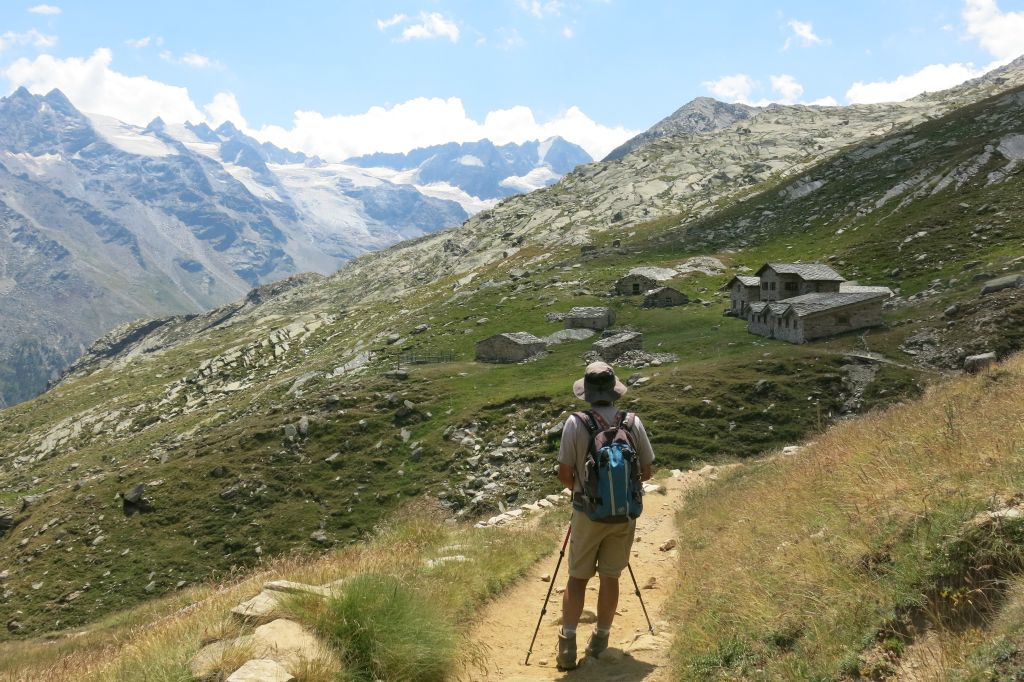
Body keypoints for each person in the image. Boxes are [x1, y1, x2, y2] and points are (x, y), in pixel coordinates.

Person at [555, 361, 655, 670]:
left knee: (577, 578)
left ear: (586, 392)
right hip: (623, 515)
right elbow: (647, 471)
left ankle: (568, 647)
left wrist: (581, 493)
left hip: (587, 513)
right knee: (611, 576)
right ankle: (600, 639)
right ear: (614, 390)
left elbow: (564, 473)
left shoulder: (576, 423)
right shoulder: (632, 422)